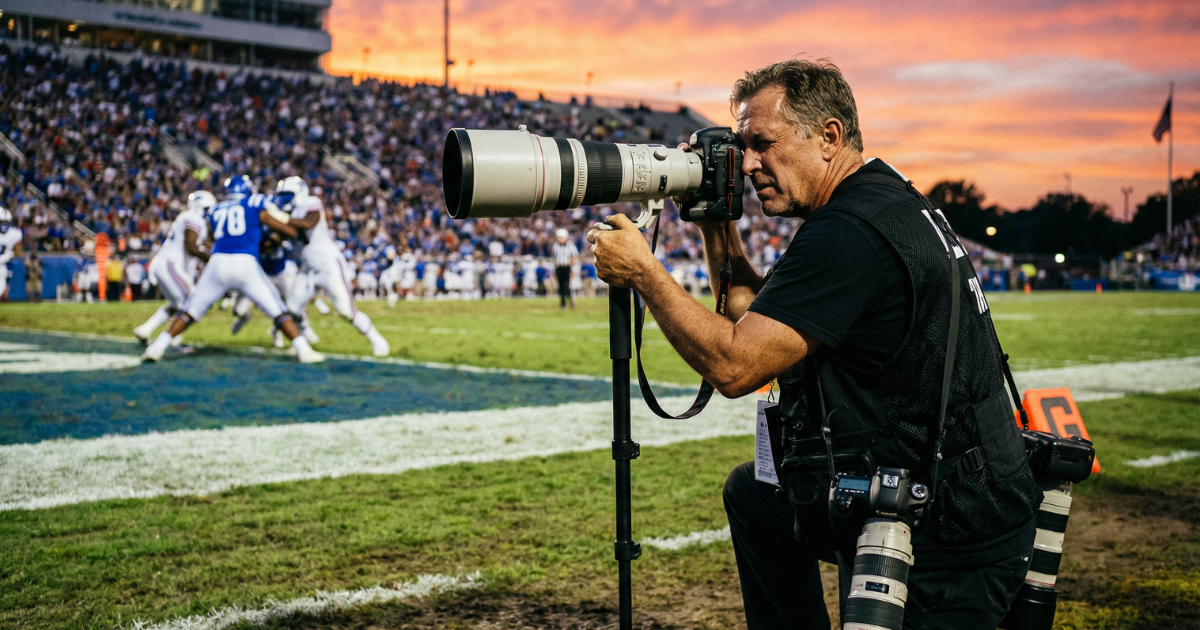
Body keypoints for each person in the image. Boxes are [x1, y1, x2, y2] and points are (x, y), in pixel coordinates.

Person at [587, 60, 1040, 630]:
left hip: (949, 528)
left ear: (829, 137)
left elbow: (735, 366)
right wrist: (716, 225)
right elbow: (758, 319)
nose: (748, 164)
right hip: (949, 482)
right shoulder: (876, 200)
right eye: (743, 148)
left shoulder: (846, 233)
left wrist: (645, 274)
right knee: (755, 495)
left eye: (763, 144)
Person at [141, 176, 323, 364]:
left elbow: (211, 237)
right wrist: (289, 233)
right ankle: (304, 351)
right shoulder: (254, 203)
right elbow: (280, 227)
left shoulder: (217, 209)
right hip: (245, 262)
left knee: (190, 311)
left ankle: (156, 348)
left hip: (217, 262)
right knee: (278, 310)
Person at [278, 176, 390, 357]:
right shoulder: (285, 215)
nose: (284, 199)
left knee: (346, 311)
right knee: (292, 308)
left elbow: (308, 223)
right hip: (308, 268)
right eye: (282, 195)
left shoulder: (310, 203)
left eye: (287, 195)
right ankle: (304, 338)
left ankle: (376, 339)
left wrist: (279, 217)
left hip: (329, 265)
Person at [134, 191, 213, 344]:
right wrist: (212, 259)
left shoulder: (189, 219)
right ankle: (173, 341)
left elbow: (200, 243)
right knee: (191, 304)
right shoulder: (193, 217)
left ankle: (145, 329)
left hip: (166, 265)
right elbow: (191, 246)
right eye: (207, 208)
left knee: (176, 305)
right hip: (170, 265)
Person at [0, 207, 24, 301]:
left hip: (2, 264)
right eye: (2, 222)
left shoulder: (15, 233)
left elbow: (18, 250)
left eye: (7, 222)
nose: (4, 225)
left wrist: (10, 255)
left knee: (1, 288)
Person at [552, 228, 579, 308]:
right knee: (560, 286)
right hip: (559, 268)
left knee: (566, 286)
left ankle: (571, 301)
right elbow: (553, 257)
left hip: (566, 268)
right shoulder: (555, 246)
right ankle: (563, 303)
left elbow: (575, 256)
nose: (560, 239)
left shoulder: (570, 245)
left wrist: (570, 264)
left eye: (561, 237)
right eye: (559, 237)